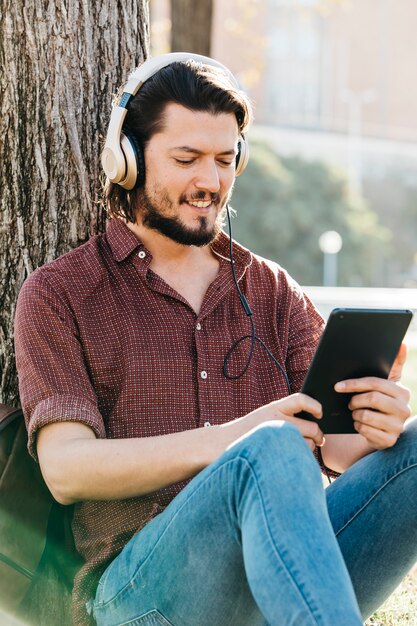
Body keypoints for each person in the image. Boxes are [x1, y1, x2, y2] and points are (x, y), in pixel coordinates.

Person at [14, 53, 417, 626]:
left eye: (226, 160)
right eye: (187, 159)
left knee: (413, 447)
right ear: (126, 158)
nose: (211, 182)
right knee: (271, 447)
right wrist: (240, 438)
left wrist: (374, 426)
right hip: (143, 597)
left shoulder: (271, 289)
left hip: (280, 576)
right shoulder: (61, 293)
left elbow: (336, 449)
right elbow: (67, 470)